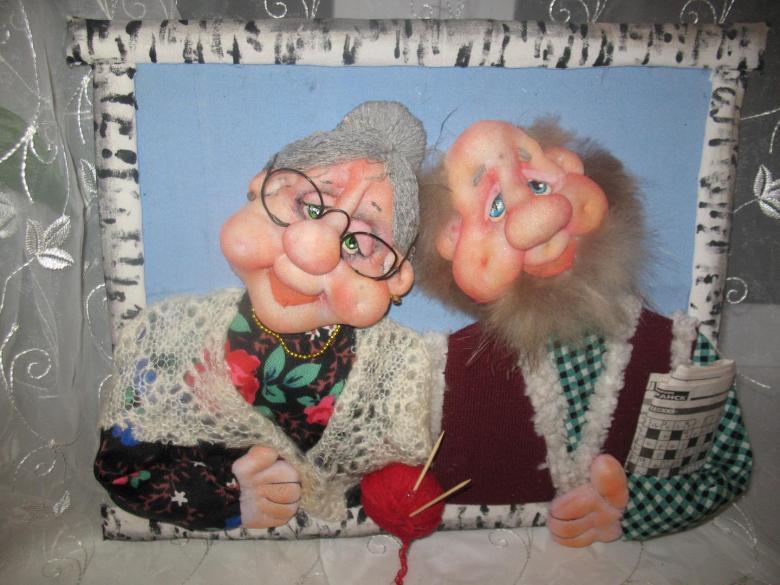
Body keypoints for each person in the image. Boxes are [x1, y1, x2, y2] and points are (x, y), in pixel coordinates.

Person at [94, 101, 438, 530]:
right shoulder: (164, 341)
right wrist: (229, 497)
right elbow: (121, 469)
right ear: (259, 188)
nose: (313, 251)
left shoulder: (401, 367)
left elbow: (398, 477)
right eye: (310, 208)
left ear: (396, 278)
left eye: (355, 244)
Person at [416, 119, 752, 546]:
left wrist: (634, 507)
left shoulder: (678, 353)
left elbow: (727, 467)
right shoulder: (447, 372)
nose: (535, 218)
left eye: (539, 186)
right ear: (454, 244)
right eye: (495, 208)